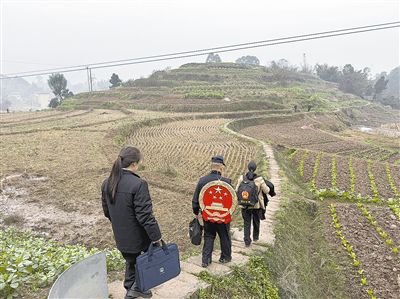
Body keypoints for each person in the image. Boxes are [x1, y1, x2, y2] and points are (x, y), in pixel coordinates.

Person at [101, 146, 161, 299]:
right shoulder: (138, 184)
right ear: (134, 164)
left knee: (131, 263)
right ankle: (133, 292)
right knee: (143, 263)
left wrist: (121, 224)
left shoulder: (107, 183)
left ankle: (134, 289)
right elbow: (145, 216)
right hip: (138, 239)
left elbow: (107, 212)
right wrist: (156, 237)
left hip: (121, 236)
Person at [192, 155, 233, 268]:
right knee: (224, 236)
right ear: (221, 168)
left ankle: (206, 260)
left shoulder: (202, 181)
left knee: (209, 236)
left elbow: (196, 200)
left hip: (207, 216)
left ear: (211, 167)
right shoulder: (227, 182)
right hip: (223, 217)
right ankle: (225, 257)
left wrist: (196, 212)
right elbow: (232, 201)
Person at [236, 161, 270, 247]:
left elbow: (237, 190)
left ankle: (247, 241)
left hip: (244, 204)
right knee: (256, 221)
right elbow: (267, 191)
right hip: (256, 205)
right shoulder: (259, 179)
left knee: (246, 222)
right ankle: (255, 237)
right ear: (255, 169)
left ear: (248, 167)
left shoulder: (241, 178)